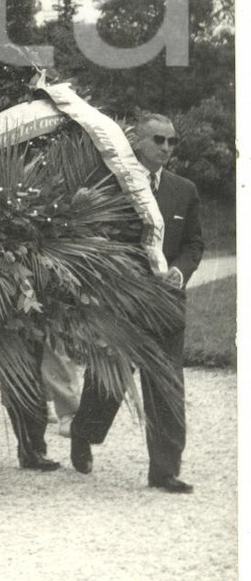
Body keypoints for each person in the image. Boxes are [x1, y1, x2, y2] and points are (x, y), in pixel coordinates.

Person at [70, 112, 203, 493]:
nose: (165, 148)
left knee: (166, 386)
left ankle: (164, 471)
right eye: (158, 140)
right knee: (106, 382)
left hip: (166, 304)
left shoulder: (184, 190)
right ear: (138, 142)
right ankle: (84, 432)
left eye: (171, 141)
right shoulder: (114, 186)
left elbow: (195, 243)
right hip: (123, 303)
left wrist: (179, 271)